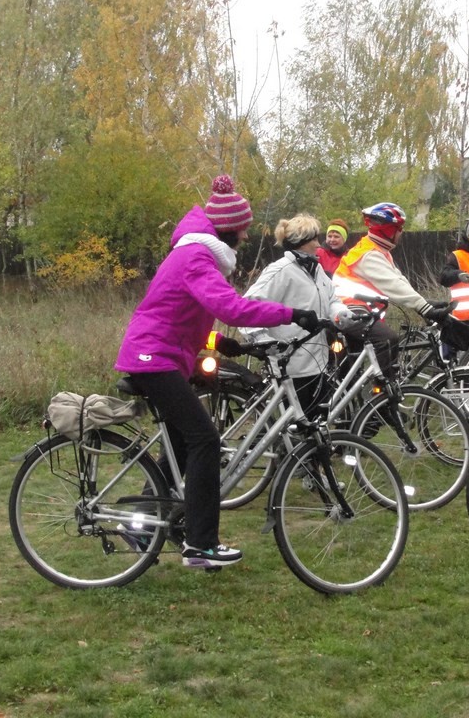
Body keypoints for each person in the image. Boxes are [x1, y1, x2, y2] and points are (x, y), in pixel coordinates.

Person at [114, 174, 320, 569]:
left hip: (162, 355)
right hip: (154, 359)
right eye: (241, 230)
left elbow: (178, 313)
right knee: (206, 439)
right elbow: (232, 308)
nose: (244, 238)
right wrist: (293, 314)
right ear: (226, 230)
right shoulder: (196, 257)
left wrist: (217, 342)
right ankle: (201, 544)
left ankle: (148, 525)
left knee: (181, 445)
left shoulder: (194, 255)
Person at [241, 213, 364, 413]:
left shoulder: (316, 270)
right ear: (300, 243)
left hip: (318, 364)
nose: (319, 244)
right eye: (314, 239)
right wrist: (262, 340)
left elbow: (331, 299)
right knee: (294, 432)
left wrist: (342, 314)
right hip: (290, 367)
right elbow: (247, 306)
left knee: (318, 427)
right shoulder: (280, 271)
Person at [333, 202, 451, 379]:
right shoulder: (369, 255)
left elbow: (399, 280)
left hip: (356, 310)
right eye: (399, 228)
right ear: (388, 230)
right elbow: (393, 286)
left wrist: (425, 303)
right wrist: (426, 310)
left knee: (352, 370)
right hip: (347, 310)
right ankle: (383, 394)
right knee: (387, 340)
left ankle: (367, 393)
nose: (401, 232)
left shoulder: (378, 250)